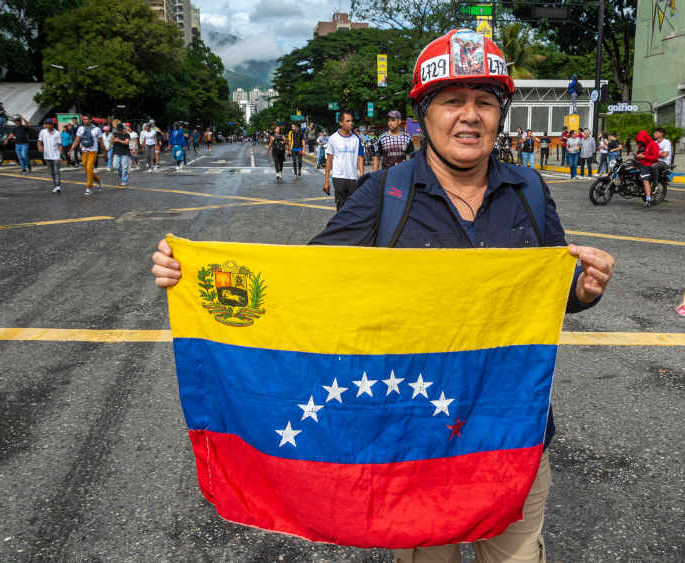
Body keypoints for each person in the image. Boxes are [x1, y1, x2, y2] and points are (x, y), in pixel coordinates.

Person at [151, 29, 614, 563]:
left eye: (485, 102)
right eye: (453, 101)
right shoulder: (385, 194)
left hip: (511, 435)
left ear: (500, 113)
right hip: (416, 441)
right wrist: (194, 275)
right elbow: (307, 282)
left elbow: (551, 295)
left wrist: (583, 289)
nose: (470, 116)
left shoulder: (530, 190)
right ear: (423, 114)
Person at [322, 111, 364, 209]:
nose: (351, 123)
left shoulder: (356, 139)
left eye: (351, 121)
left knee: (353, 207)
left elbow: (360, 158)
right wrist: (326, 181)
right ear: (341, 123)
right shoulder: (333, 138)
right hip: (338, 177)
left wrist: (362, 177)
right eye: (348, 121)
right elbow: (329, 160)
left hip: (353, 178)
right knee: (341, 207)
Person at [69, 115, 105, 195]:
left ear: (91, 120)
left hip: (93, 151)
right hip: (84, 151)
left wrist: (104, 152)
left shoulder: (97, 129)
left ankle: (89, 187)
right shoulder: (80, 128)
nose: (85, 121)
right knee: (87, 170)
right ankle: (98, 181)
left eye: (87, 119)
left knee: (89, 168)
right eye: (84, 119)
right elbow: (77, 140)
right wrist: (71, 149)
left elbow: (101, 142)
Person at [634, 129, 659, 208]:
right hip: (639, 163)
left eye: (641, 141)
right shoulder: (641, 145)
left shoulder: (653, 144)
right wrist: (637, 156)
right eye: (639, 141)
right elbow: (638, 154)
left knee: (645, 180)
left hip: (648, 164)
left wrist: (644, 156)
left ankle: (648, 199)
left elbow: (655, 158)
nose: (640, 143)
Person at [38, 119, 63, 193]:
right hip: (47, 155)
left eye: (49, 124)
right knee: (51, 172)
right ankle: (55, 185)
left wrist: (60, 155)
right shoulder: (43, 132)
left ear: (52, 124)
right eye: (46, 124)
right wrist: (39, 146)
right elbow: (39, 141)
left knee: (56, 171)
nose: (47, 125)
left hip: (56, 155)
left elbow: (60, 145)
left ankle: (58, 186)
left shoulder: (57, 133)